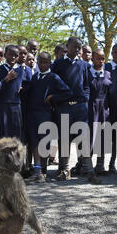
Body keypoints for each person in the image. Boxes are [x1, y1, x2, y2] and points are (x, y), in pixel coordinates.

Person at [51, 36, 101, 184]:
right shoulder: (58, 63)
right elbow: (53, 83)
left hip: (80, 107)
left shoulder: (84, 65)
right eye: (75, 47)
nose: (78, 50)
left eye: (79, 47)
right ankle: (64, 170)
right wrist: (57, 99)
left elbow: (87, 85)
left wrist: (85, 98)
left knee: (84, 138)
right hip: (64, 106)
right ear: (67, 47)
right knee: (64, 138)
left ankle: (89, 170)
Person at [23, 52, 73, 183]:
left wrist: (53, 97)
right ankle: (38, 170)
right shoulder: (34, 77)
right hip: (31, 114)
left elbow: (68, 92)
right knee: (33, 142)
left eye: (46, 62)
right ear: (37, 62)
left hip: (44, 114)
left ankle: (42, 172)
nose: (43, 64)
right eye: (40, 62)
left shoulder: (53, 77)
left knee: (43, 143)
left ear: (50, 63)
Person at [0, 45, 30, 142]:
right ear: (5, 55)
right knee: (0, 138)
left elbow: (28, 86)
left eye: (16, 55)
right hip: (1, 108)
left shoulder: (21, 71)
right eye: (10, 55)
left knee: (15, 139)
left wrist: (23, 88)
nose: (13, 57)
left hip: (15, 108)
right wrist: (6, 79)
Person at [88, 49, 112, 174]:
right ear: (92, 59)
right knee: (91, 136)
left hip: (104, 108)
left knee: (103, 136)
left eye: (103, 58)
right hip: (91, 108)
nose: (101, 61)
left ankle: (100, 165)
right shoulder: (87, 73)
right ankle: (87, 166)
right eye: (98, 58)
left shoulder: (107, 74)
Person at [104, 43, 117, 173]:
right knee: (103, 135)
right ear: (111, 53)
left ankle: (112, 162)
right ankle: (99, 164)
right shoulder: (106, 67)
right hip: (106, 107)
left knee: (116, 137)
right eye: (115, 52)